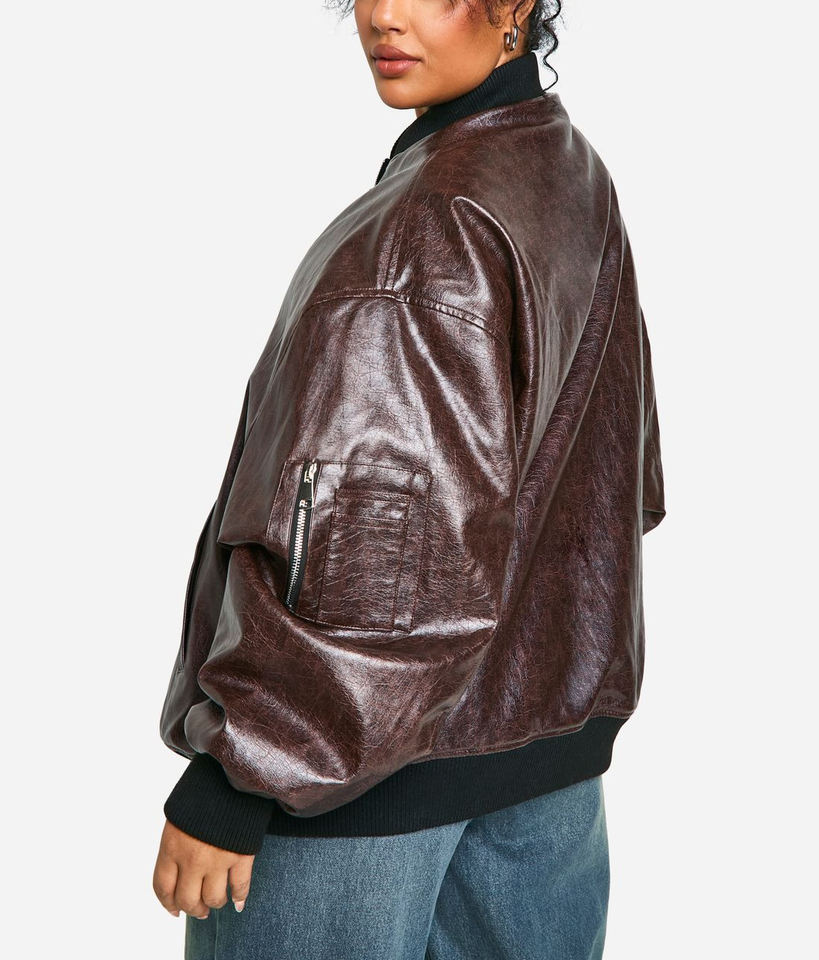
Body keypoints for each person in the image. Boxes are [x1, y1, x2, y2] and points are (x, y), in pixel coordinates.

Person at [152, 1, 667, 957]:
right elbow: (620, 478)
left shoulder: (427, 222)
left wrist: (240, 776)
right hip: (544, 774)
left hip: (358, 792)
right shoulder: (563, 165)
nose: (384, 17)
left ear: (516, 5)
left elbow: (377, 555)